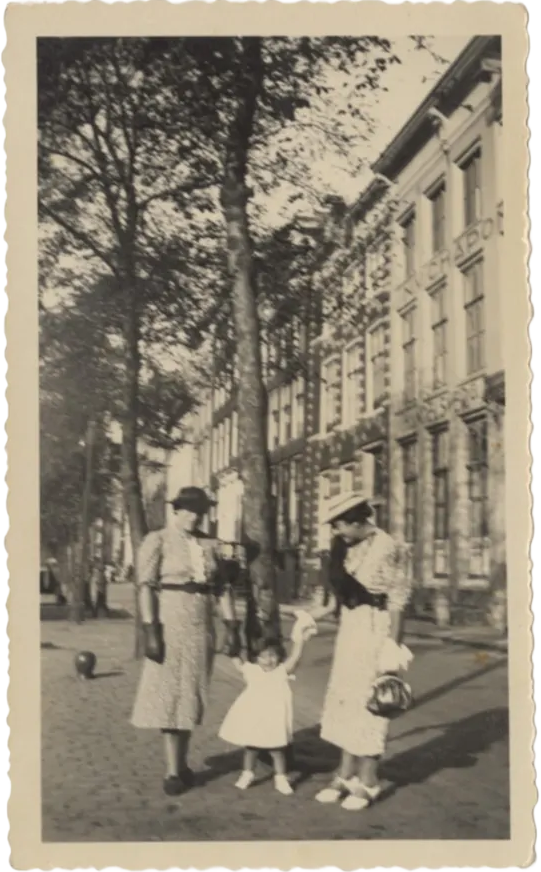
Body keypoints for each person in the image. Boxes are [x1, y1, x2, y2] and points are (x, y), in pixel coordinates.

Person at [299, 492, 412, 811]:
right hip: (350, 628)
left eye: (341, 526)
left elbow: (398, 599)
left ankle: (369, 779)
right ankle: (345, 773)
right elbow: (336, 600)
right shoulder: (341, 548)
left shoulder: (389, 547)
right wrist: (310, 617)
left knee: (372, 703)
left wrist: (393, 644)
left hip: (377, 628)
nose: (338, 532)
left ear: (359, 520)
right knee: (346, 701)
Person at [130, 486, 241, 796]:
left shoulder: (211, 544)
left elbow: (222, 589)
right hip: (170, 622)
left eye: (200, 512)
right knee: (170, 697)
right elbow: (146, 587)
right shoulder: (158, 540)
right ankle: (172, 772)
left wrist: (232, 626)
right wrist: (151, 630)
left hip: (201, 626)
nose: (195, 517)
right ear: (176, 511)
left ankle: (182, 763)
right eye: (189, 511)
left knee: (190, 694)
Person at [218, 622, 314, 796]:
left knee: (277, 749)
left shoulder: (281, 672)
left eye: (272, 656)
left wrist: (300, 641)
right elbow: (237, 660)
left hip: (273, 718)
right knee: (251, 747)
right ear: (256, 658)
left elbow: (295, 658)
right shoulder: (252, 670)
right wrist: (230, 643)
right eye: (262, 657)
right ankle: (247, 774)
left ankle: (281, 777)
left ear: (279, 656)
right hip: (254, 716)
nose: (268, 661)